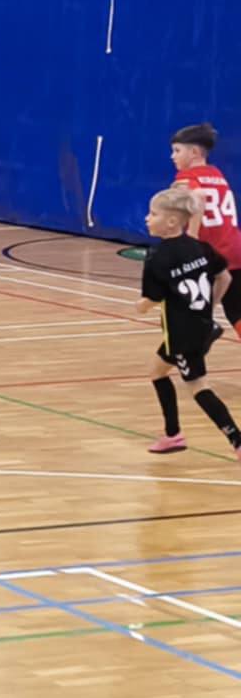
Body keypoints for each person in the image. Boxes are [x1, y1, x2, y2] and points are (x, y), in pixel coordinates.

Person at [142, 186, 241, 456]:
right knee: (157, 371)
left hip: (182, 335)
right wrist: (210, 308)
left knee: (198, 387)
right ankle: (172, 434)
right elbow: (225, 277)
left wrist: (141, 306)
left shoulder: (158, 256)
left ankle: (236, 439)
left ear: (172, 221)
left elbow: (150, 299)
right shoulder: (201, 247)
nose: (147, 218)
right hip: (199, 325)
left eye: (153, 214)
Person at [169, 122, 241, 340]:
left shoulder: (187, 178)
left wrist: (191, 236)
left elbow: (198, 197)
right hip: (235, 247)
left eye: (177, 151)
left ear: (194, 152)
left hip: (214, 251)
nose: (173, 157)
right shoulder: (216, 174)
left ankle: (201, 326)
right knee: (235, 309)